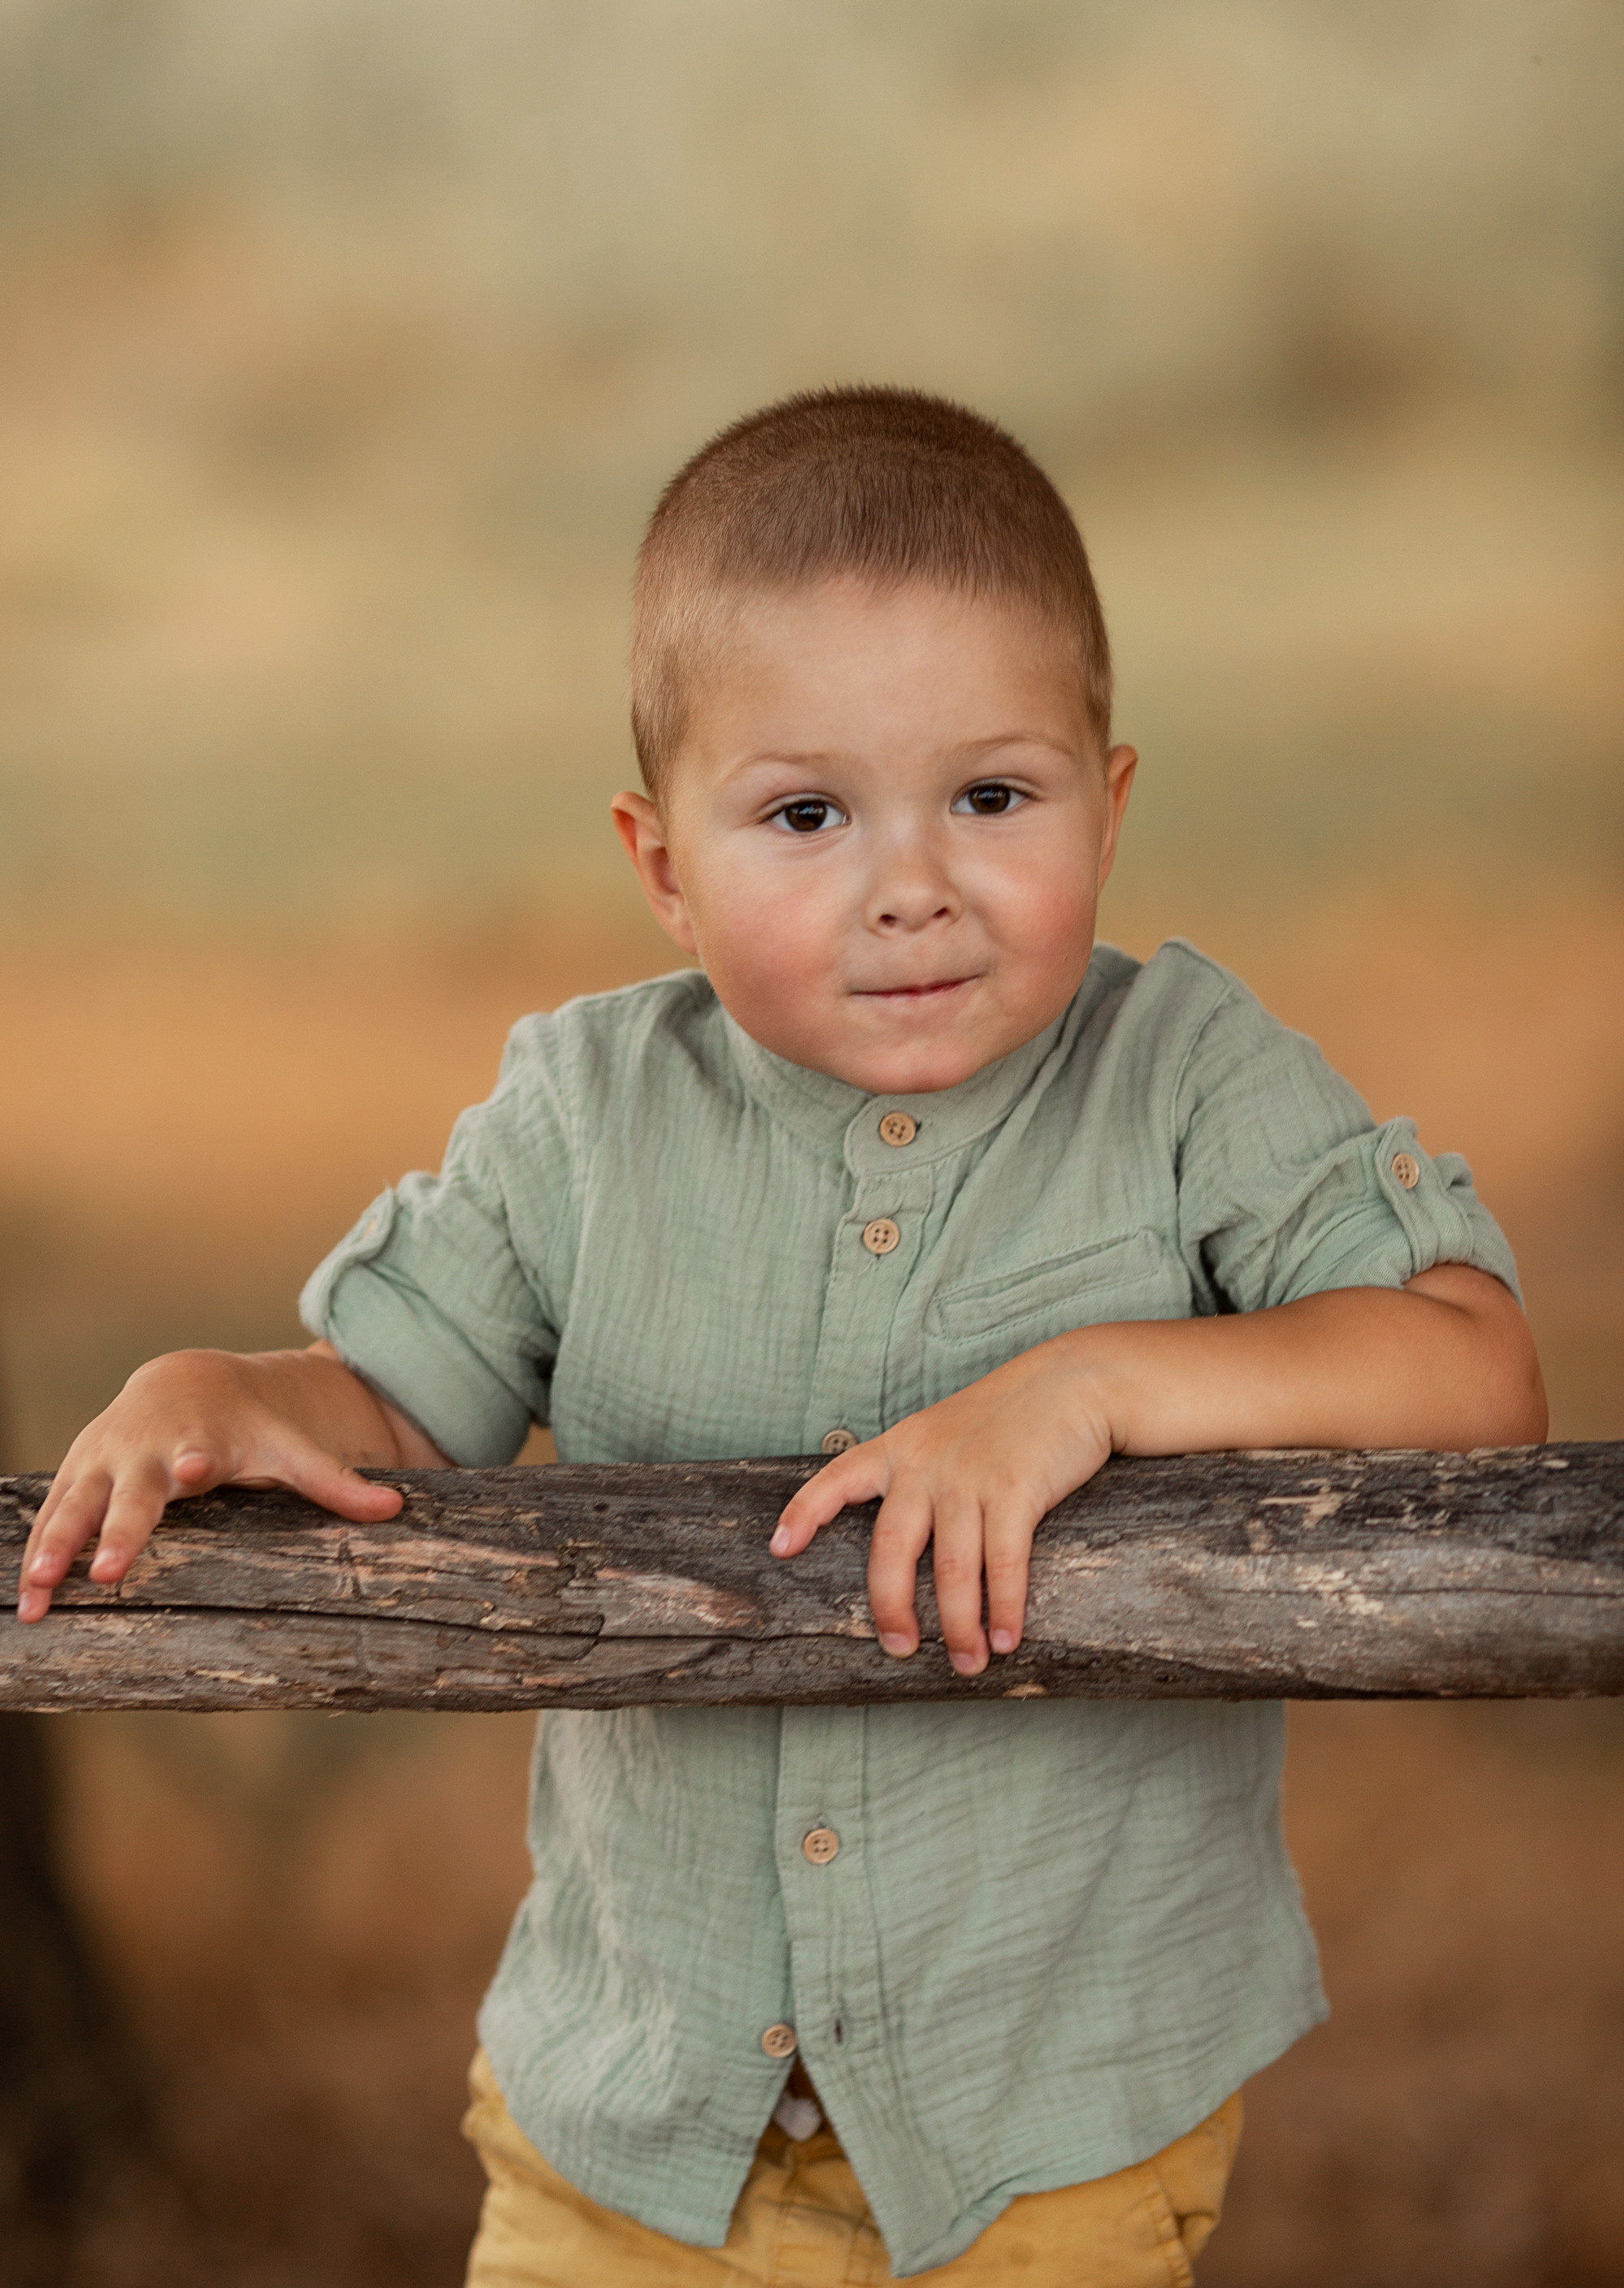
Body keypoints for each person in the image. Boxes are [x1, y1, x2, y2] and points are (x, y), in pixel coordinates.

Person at [17, 388, 1545, 2286]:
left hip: (1044, 2137)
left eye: (991, 796)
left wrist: (1094, 1384)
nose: (911, 881)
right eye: (805, 813)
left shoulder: (1184, 1078)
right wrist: (232, 1391)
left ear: (1110, 797)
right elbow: (399, 1411)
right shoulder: (585, 1112)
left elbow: (1469, 1361)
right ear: (661, 862)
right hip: (631, 2134)